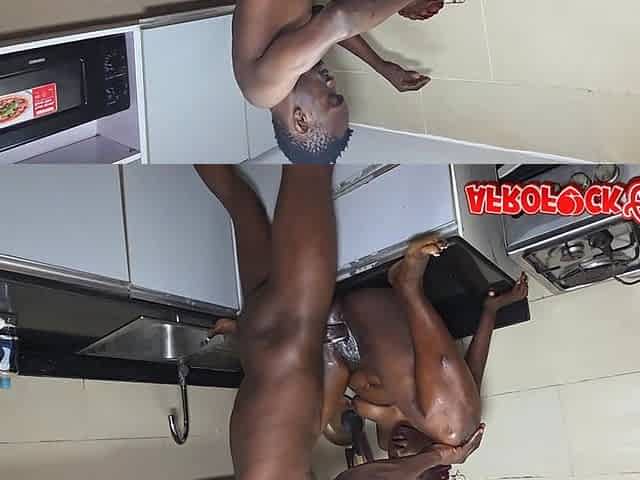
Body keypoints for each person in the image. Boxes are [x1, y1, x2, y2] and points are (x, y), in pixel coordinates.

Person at [196, 165, 484, 480]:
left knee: (309, 163)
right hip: (267, 345)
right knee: (239, 202)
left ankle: (406, 284)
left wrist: (441, 455)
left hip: (288, 338)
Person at [333, 237, 528, 462]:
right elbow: (472, 368)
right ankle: (408, 286)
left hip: (359, 311)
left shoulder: (381, 419)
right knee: (455, 430)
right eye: (422, 471)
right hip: (392, 306)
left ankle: (407, 285)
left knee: (453, 430)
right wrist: (490, 310)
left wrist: (433, 454)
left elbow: (356, 388)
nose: (399, 451)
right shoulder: (445, 414)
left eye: (400, 462)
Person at [232, 0, 445, 163]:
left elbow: (339, 19)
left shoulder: (263, 93)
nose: (332, 82)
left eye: (332, 99)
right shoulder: (279, 78)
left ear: (301, 121)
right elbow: (320, 17)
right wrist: (380, 66)